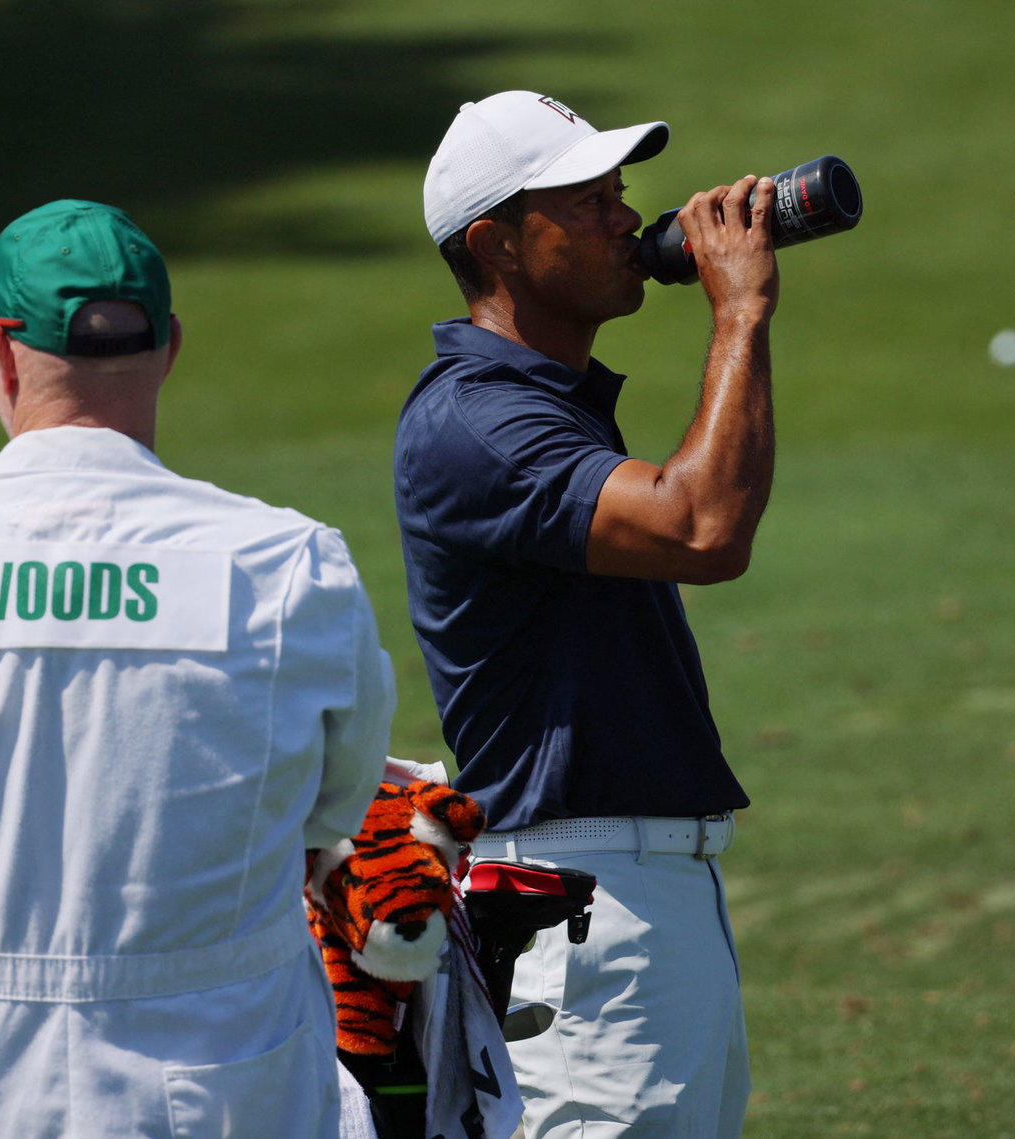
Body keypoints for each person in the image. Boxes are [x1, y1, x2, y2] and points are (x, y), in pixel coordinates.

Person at [0, 199, 396, 1139]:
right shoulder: (287, 564)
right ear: (167, 345)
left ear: (1, 350)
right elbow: (334, 805)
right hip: (227, 1069)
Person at [393, 91, 782, 1137]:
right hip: (580, 907)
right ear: (498, 244)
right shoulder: (476, 419)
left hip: (626, 901)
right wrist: (738, 313)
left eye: (620, 193)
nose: (626, 219)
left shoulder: (535, 408)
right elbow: (701, 529)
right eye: (587, 202)